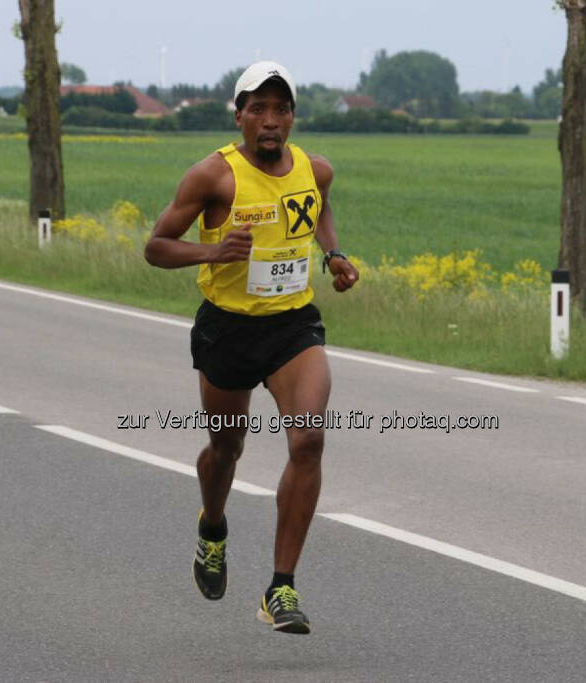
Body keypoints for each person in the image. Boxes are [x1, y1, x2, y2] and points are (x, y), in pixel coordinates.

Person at [144, 61, 359, 634]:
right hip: (227, 329)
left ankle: (280, 590)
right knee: (226, 450)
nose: (270, 121)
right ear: (238, 116)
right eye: (258, 109)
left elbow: (317, 210)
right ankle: (212, 525)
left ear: (293, 117)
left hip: (292, 327)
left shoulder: (315, 170)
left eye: (281, 109)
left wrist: (332, 254)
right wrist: (213, 252)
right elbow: (157, 247)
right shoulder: (212, 177)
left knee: (308, 439)